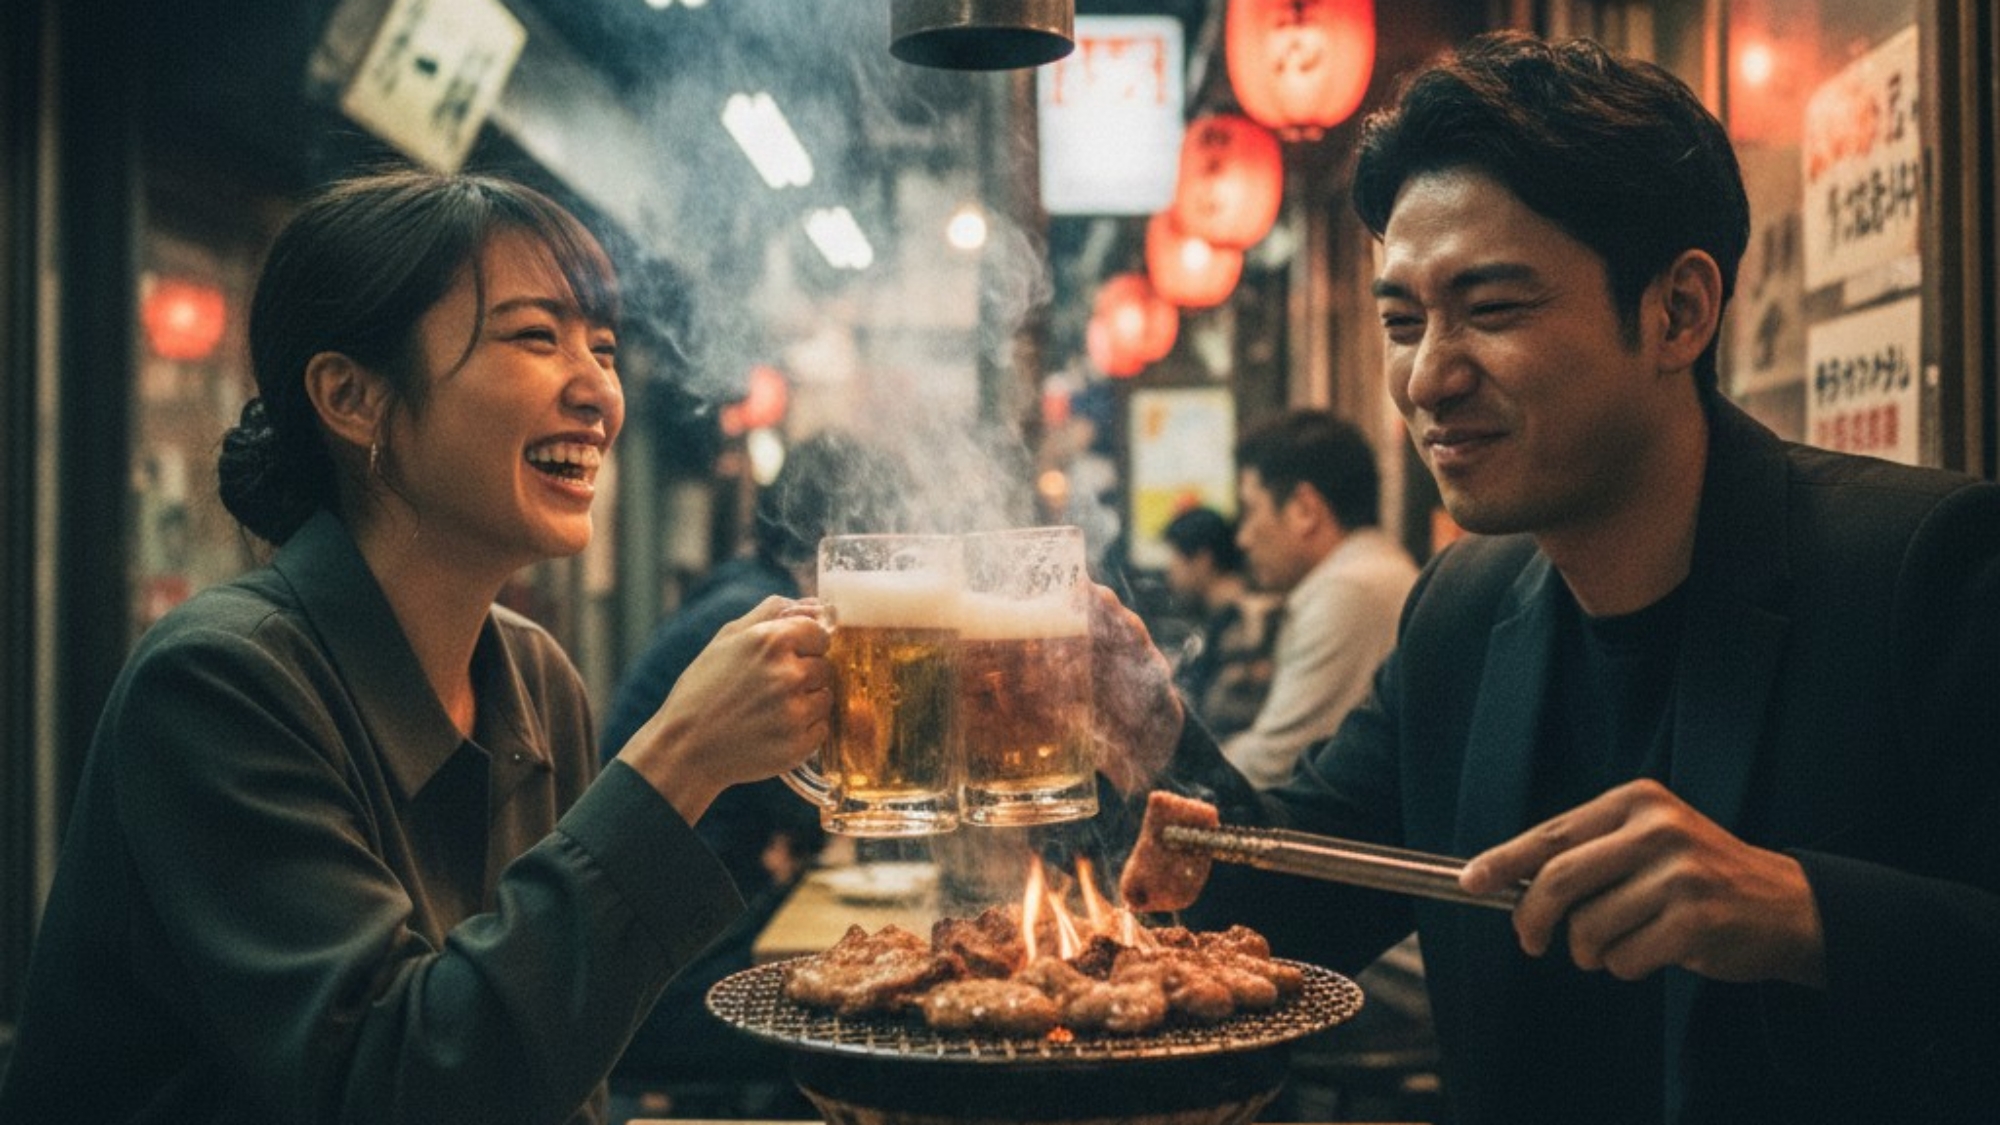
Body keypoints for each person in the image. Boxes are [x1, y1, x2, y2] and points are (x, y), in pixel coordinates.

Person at [1092, 31, 2000, 1125]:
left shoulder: (1922, 570)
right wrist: (1136, 719)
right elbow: (1285, 906)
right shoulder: (1460, 613)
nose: (1427, 376)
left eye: (1493, 308)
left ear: (1677, 312)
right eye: (1400, 320)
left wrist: (1802, 914)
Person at [0, 168, 833, 1125]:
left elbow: (561, 1079)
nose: (597, 388)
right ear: (351, 397)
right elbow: (400, 1085)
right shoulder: (219, 682)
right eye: (535, 336)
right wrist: (679, 758)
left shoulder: (532, 674)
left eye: (601, 347)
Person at [596, 428, 904, 1114]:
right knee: (880, 1034)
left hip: (676, 950)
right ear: (843, 532)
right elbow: (811, 806)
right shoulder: (764, 623)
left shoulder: (742, 593)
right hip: (666, 988)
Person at [1223, 409, 1418, 789]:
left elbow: (1274, 764)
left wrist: (1159, 776)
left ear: (1305, 510)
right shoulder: (1366, 570)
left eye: (1250, 511)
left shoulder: (1349, 590)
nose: (1242, 538)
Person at [1159, 505, 1280, 743]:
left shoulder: (1242, 624)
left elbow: (1222, 718)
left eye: (1175, 558)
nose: (1169, 572)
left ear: (1203, 559)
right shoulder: (1224, 618)